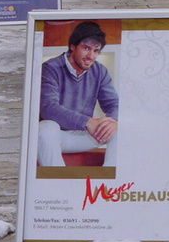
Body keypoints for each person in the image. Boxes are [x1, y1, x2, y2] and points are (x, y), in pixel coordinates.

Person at [36, 20, 120, 168]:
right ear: (72, 46)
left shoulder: (99, 71)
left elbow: (114, 104)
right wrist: (88, 122)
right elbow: (48, 108)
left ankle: (107, 186)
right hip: (57, 136)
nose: (91, 56)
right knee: (46, 128)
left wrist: (113, 121)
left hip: (84, 135)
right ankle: (58, 184)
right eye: (86, 48)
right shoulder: (50, 68)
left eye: (96, 51)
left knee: (119, 128)